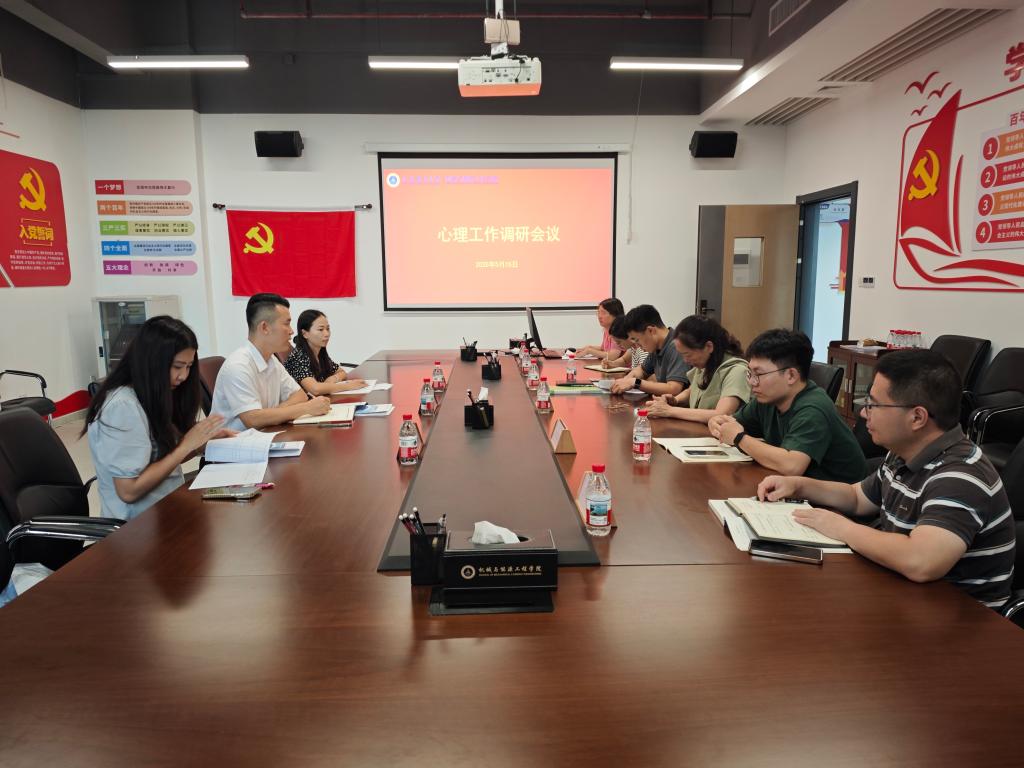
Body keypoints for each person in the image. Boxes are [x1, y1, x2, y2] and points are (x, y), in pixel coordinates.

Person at [758, 350, 1014, 608]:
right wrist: (799, 485)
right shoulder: (904, 452)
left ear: (917, 417)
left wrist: (842, 528)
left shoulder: (961, 476)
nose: (863, 413)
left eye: (874, 405)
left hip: (960, 618)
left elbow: (921, 561)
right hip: (905, 595)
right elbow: (858, 498)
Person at [85, 316, 234, 520]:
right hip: (137, 525)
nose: (183, 376)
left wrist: (200, 445)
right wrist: (186, 445)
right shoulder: (123, 407)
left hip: (168, 509)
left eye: (189, 366)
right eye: (177, 366)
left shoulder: (153, 395)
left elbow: (161, 460)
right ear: (152, 362)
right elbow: (129, 491)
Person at [708, 328, 865, 482]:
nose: (751, 382)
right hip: (793, 486)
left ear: (791, 375)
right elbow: (733, 424)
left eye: (759, 374)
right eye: (750, 373)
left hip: (836, 495)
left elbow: (792, 466)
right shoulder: (767, 398)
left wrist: (739, 438)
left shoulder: (813, 409)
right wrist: (718, 423)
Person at [211, 293, 331, 431]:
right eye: (286, 323)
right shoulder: (238, 365)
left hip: (264, 434)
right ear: (265, 327)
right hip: (235, 441)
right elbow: (253, 419)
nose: (292, 331)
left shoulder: (271, 359)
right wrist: (306, 408)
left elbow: (300, 395)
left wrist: (271, 414)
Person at [645, 316, 750, 424]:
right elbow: (692, 390)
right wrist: (675, 400)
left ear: (709, 346)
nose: (685, 360)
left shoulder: (736, 371)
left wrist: (670, 411)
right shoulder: (706, 364)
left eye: (688, 355)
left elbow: (722, 414)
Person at [609, 304, 688, 397]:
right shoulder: (656, 346)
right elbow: (642, 370)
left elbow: (674, 389)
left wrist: (636, 382)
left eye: (637, 340)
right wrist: (626, 380)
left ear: (650, 331)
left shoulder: (676, 346)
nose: (637, 345)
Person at [284, 309, 366, 395]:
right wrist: (348, 386)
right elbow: (315, 389)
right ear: (305, 334)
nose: (326, 334)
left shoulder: (319, 352)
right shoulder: (298, 356)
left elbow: (341, 372)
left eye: (328, 329)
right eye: (321, 329)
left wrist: (333, 378)